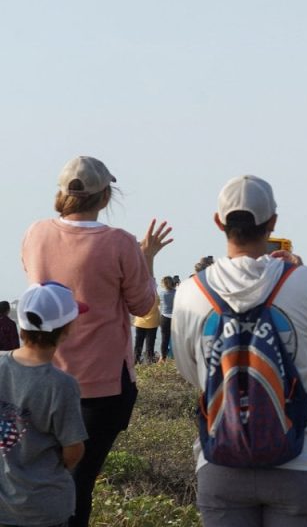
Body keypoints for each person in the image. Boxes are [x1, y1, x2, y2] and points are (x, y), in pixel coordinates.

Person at [172, 174, 307, 526]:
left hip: (220, 461)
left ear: (219, 222)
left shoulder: (190, 292)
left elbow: (189, 371)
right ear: (272, 222)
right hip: (301, 463)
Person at [21, 155, 172, 527]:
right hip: (102, 385)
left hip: (42, 376)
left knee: (39, 476)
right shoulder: (119, 243)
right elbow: (143, 304)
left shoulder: (35, 233)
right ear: (105, 196)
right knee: (78, 483)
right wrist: (146, 257)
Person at [0, 282, 89, 527]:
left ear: (21, 326)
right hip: (43, 508)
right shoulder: (61, 384)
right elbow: (74, 450)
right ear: (67, 329)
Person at [132, 295, 160, 364]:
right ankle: (149, 361)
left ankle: (136, 360)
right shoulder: (155, 296)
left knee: (138, 343)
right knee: (150, 344)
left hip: (140, 322)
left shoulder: (139, 295)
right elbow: (158, 303)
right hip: (152, 323)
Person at [158, 275, 175, 361]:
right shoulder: (176, 292)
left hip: (164, 317)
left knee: (164, 339)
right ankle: (175, 356)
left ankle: (163, 357)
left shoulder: (161, 293)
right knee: (176, 338)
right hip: (175, 317)